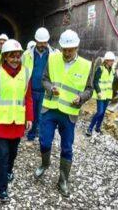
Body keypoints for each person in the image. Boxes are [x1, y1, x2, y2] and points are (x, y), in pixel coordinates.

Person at [34, 29, 94, 197]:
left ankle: (63, 180)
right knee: (45, 141)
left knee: (67, 148)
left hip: (69, 113)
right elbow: (44, 79)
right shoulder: (52, 59)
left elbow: (90, 89)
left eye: (70, 49)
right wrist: (50, 88)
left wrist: (81, 98)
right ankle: (45, 164)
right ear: (60, 47)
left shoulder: (86, 65)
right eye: (64, 49)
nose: (67, 53)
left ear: (77, 47)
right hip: (50, 109)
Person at [0, 39, 33, 203]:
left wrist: (29, 117)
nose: (15, 59)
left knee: (12, 154)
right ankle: (2, 189)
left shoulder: (26, 72)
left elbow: (28, 98)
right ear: (5, 57)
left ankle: (9, 171)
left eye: (18, 56)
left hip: (17, 122)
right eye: (12, 56)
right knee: (1, 156)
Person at [22, 27, 57, 146]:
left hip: (46, 90)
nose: (42, 45)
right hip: (31, 90)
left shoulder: (54, 55)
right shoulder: (26, 55)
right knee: (31, 114)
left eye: (44, 42)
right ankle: (31, 136)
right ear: (35, 41)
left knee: (43, 116)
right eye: (40, 42)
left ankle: (42, 139)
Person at [86, 51, 115, 136]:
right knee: (100, 112)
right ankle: (90, 128)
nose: (112, 62)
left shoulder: (112, 70)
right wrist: (98, 92)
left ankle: (98, 128)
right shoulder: (100, 69)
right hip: (101, 95)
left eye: (113, 60)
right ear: (106, 60)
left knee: (103, 113)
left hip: (108, 95)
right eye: (111, 60)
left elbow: (112, 82)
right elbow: (95, 82)